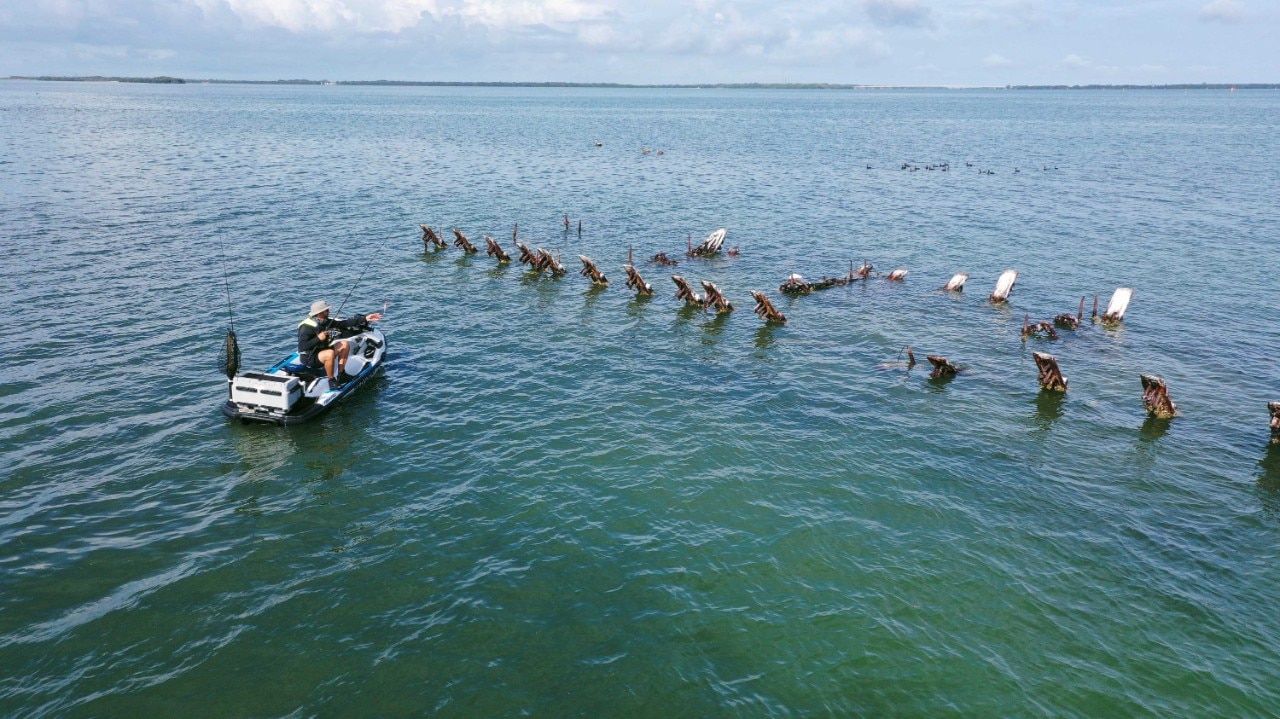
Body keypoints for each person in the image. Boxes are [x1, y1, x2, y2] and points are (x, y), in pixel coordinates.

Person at [297, 300, 382, 387]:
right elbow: (301, 347)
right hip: (310, 358)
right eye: (326, 310)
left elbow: (343, 323)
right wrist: (318, 338)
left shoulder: (325, 321)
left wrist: (365, 318)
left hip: (321, 350)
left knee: (344, 344)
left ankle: (341, 374)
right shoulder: (306, 328)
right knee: (330, 353)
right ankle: (331, 380)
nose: (328, 312)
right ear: (320, 313)